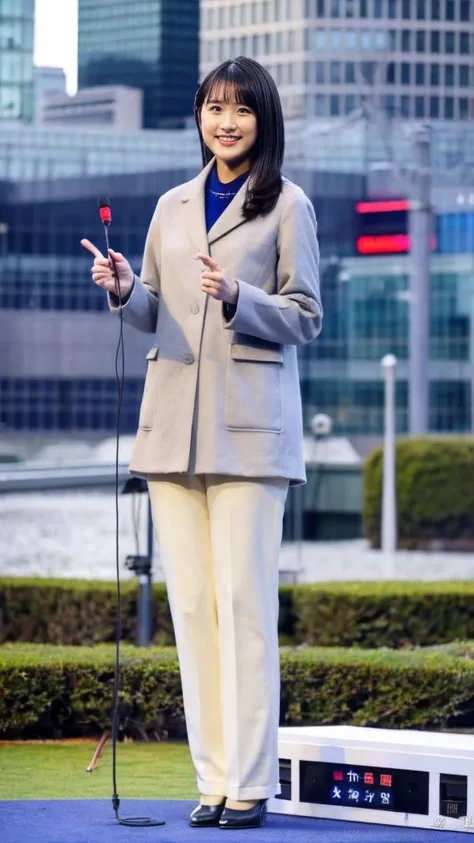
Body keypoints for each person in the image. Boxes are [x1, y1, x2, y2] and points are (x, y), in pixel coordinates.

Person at [81, 56, 322, 831]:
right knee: (192, 608)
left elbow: (305, 316)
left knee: (244, 607)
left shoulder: (288, 205)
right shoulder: (170, 206)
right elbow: (154, 309)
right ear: (199, 117)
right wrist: (125, 289)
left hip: (250, 434)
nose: (225, 121)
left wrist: (238, 295)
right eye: (214, 107)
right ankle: (213, 778)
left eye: (241, 110)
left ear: (263, 120)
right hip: (172, 431)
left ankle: (251, 782)